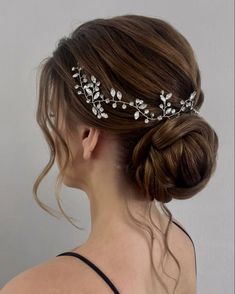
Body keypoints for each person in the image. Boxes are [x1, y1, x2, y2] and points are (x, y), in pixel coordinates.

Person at [1, 14, 219, 294]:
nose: (53, 132)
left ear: (87, 135)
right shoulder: (180, 245)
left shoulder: (33, 289)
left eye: (55, 114)